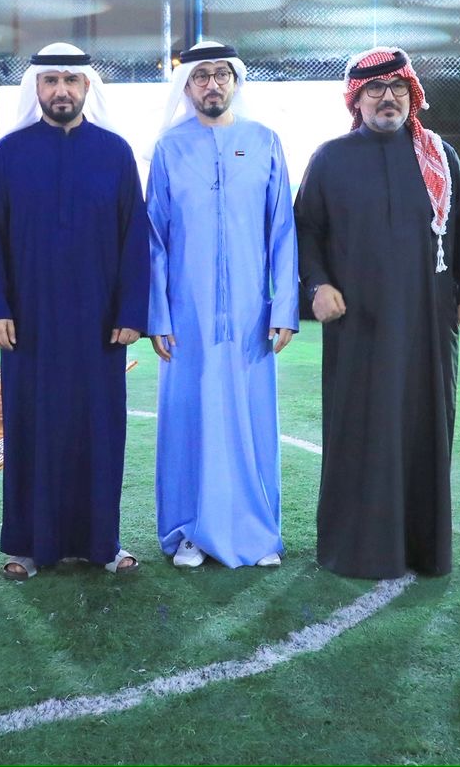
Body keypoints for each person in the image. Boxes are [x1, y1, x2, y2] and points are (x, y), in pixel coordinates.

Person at [293, 46, 460, 580]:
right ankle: (358, 549)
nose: (388, 98)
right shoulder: (330, 158)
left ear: (411, 94)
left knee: (426, 426)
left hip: (429, 321)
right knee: (361, 427)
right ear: (356, 100)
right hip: (358, 321)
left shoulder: (439, 156)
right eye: (375, 89)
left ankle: (423, 549)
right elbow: (306, 229)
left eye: (397, 88)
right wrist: (318, 285)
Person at [0, 42, 149, 580]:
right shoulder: (9, 152)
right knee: (32, 428)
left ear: (86, 87)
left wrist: (131, 311)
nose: (61, 90)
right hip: (29, 323)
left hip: (99, 322)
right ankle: (28, 545)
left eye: (71, 80)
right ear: (37, 89)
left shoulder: (114, 152)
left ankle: (102, 544)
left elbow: (134, 237)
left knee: (99, 429)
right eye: (51, 81)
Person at [146, 40, 298, 569]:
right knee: (189, 420)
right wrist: (158, 315)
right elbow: (154, 238)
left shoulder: (264, 141)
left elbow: (283, 230)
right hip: (185, 317)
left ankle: (256, 533)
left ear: (234, 81)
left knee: (251, 421)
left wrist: (284, 307)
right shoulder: (169, 148)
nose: (212, 84)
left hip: (251, 314)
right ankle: (188, 531)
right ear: (187, 86)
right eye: (201, 76)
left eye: (221, 75)